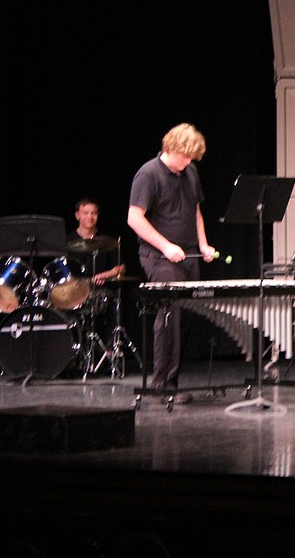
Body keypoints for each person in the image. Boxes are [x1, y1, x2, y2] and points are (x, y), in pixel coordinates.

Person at [127, 123, 216, 400]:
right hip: (159, 258)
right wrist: (165, 246)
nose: (189, 162)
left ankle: (173, 380)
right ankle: (162, 384)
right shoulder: (148, 173)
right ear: (172, 148)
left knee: (185, 319)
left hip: (189, 255)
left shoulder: (190, 171)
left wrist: (203, 244)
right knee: (169, 318)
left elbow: (196, 211)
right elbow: (134, 218)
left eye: (192, 159)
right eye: (186, 157)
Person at [70, 197, 128, 285]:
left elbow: (122, 268)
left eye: (93, 213)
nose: (90, 216)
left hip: (101, 289)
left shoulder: (107, 240)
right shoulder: (68, 240)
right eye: (85, 213)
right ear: (77, 215)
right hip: (74, 289)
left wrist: (107, 274)